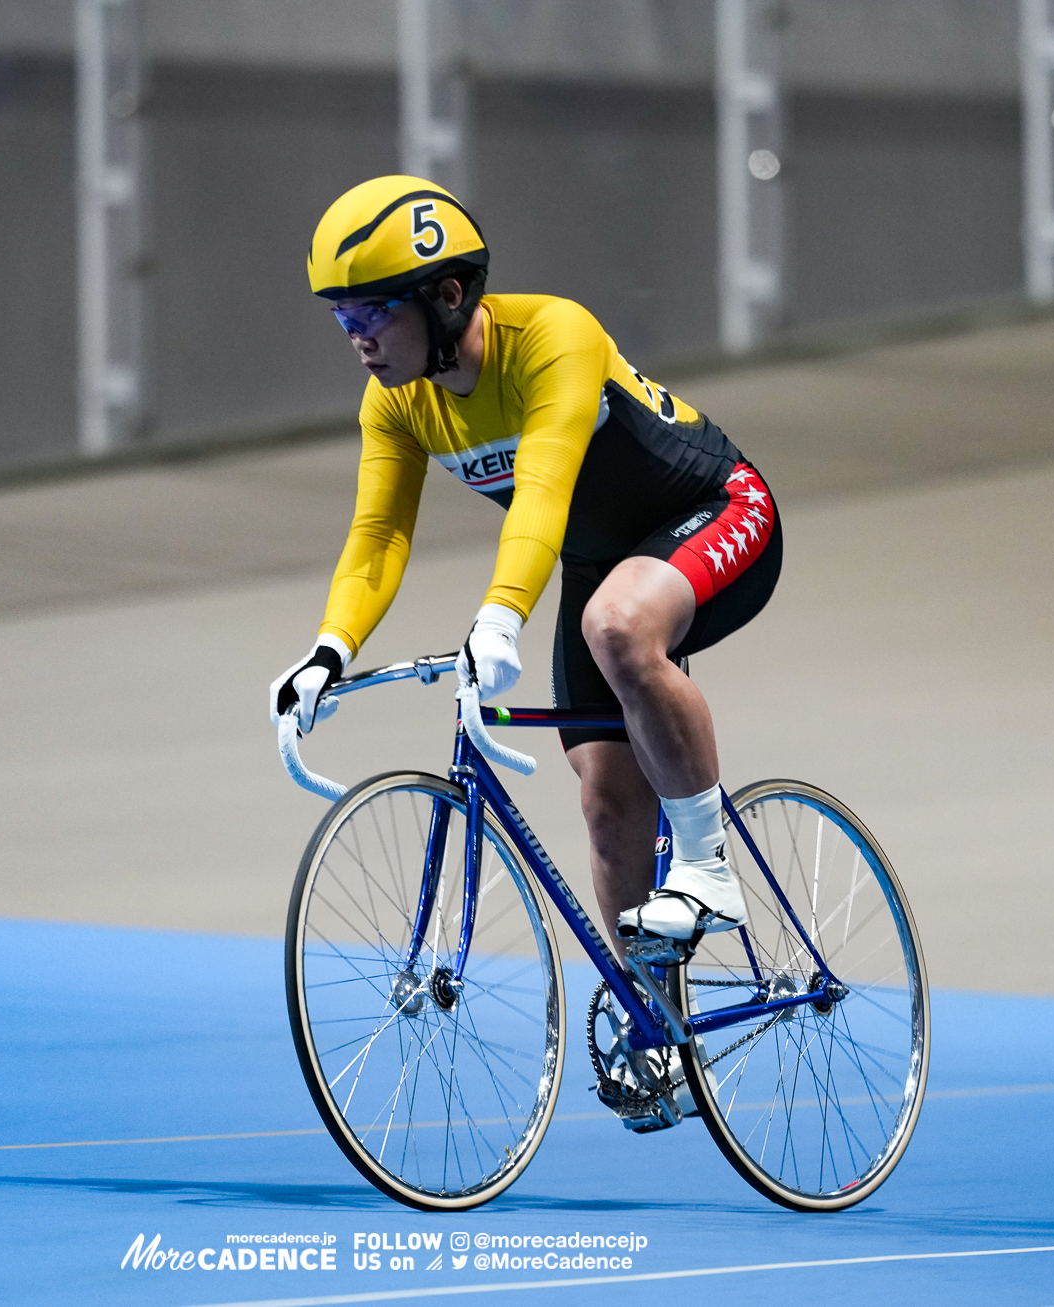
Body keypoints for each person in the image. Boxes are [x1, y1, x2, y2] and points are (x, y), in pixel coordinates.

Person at [268, 174, 781, 974]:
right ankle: (659, 1027)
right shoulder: (397, 402)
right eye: (343, 316)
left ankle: (709, 867)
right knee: (608, 806)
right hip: (600, 562)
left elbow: (541, 489)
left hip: (720, 508)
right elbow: (377, 537)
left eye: (372, 312)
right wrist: (329, 648)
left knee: (615, 624)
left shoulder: (554, 337)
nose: (356, 336)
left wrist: (500, 615)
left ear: (444, 295)